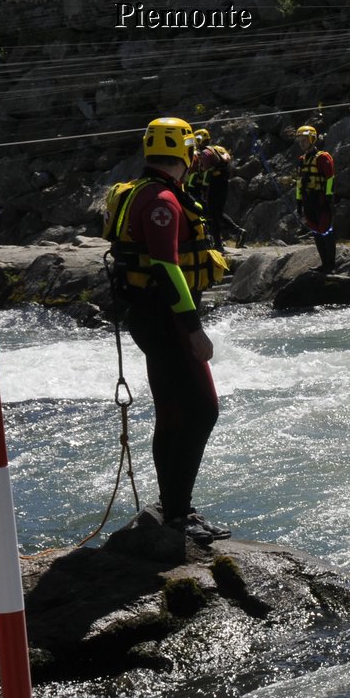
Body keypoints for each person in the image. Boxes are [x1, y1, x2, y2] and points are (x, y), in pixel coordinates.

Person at [104, 116, 231, 543]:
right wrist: (194, 328)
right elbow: (167, 267)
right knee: (202, 410)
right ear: (184, 153)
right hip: (167, 319)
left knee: (172, 413)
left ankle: (171, 504)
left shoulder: (142, 190)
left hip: (147, 317)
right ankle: (179, 513)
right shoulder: (163, 200)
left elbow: (191, 165)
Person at [294, 124, 337, 273]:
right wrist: (299, 201)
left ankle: (330, 265)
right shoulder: (302, 159)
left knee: (326, 231)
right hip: (308, 200)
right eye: (300, 141)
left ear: (312, 139)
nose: (302, 143)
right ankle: (324, 264)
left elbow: (330, 178)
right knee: (316, 232)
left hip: (321, 199)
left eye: (304, 140)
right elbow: (299, 182)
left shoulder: (323, 157)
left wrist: (328, 197)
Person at [187, 128, 233, 244]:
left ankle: (217, 243)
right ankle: (223, 238)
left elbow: (206, 172)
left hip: (213, 185)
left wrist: (203, 187)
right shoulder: (215, 149)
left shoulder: (205, 153)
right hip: (223, 182)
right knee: (217, 213)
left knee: (212, 214)